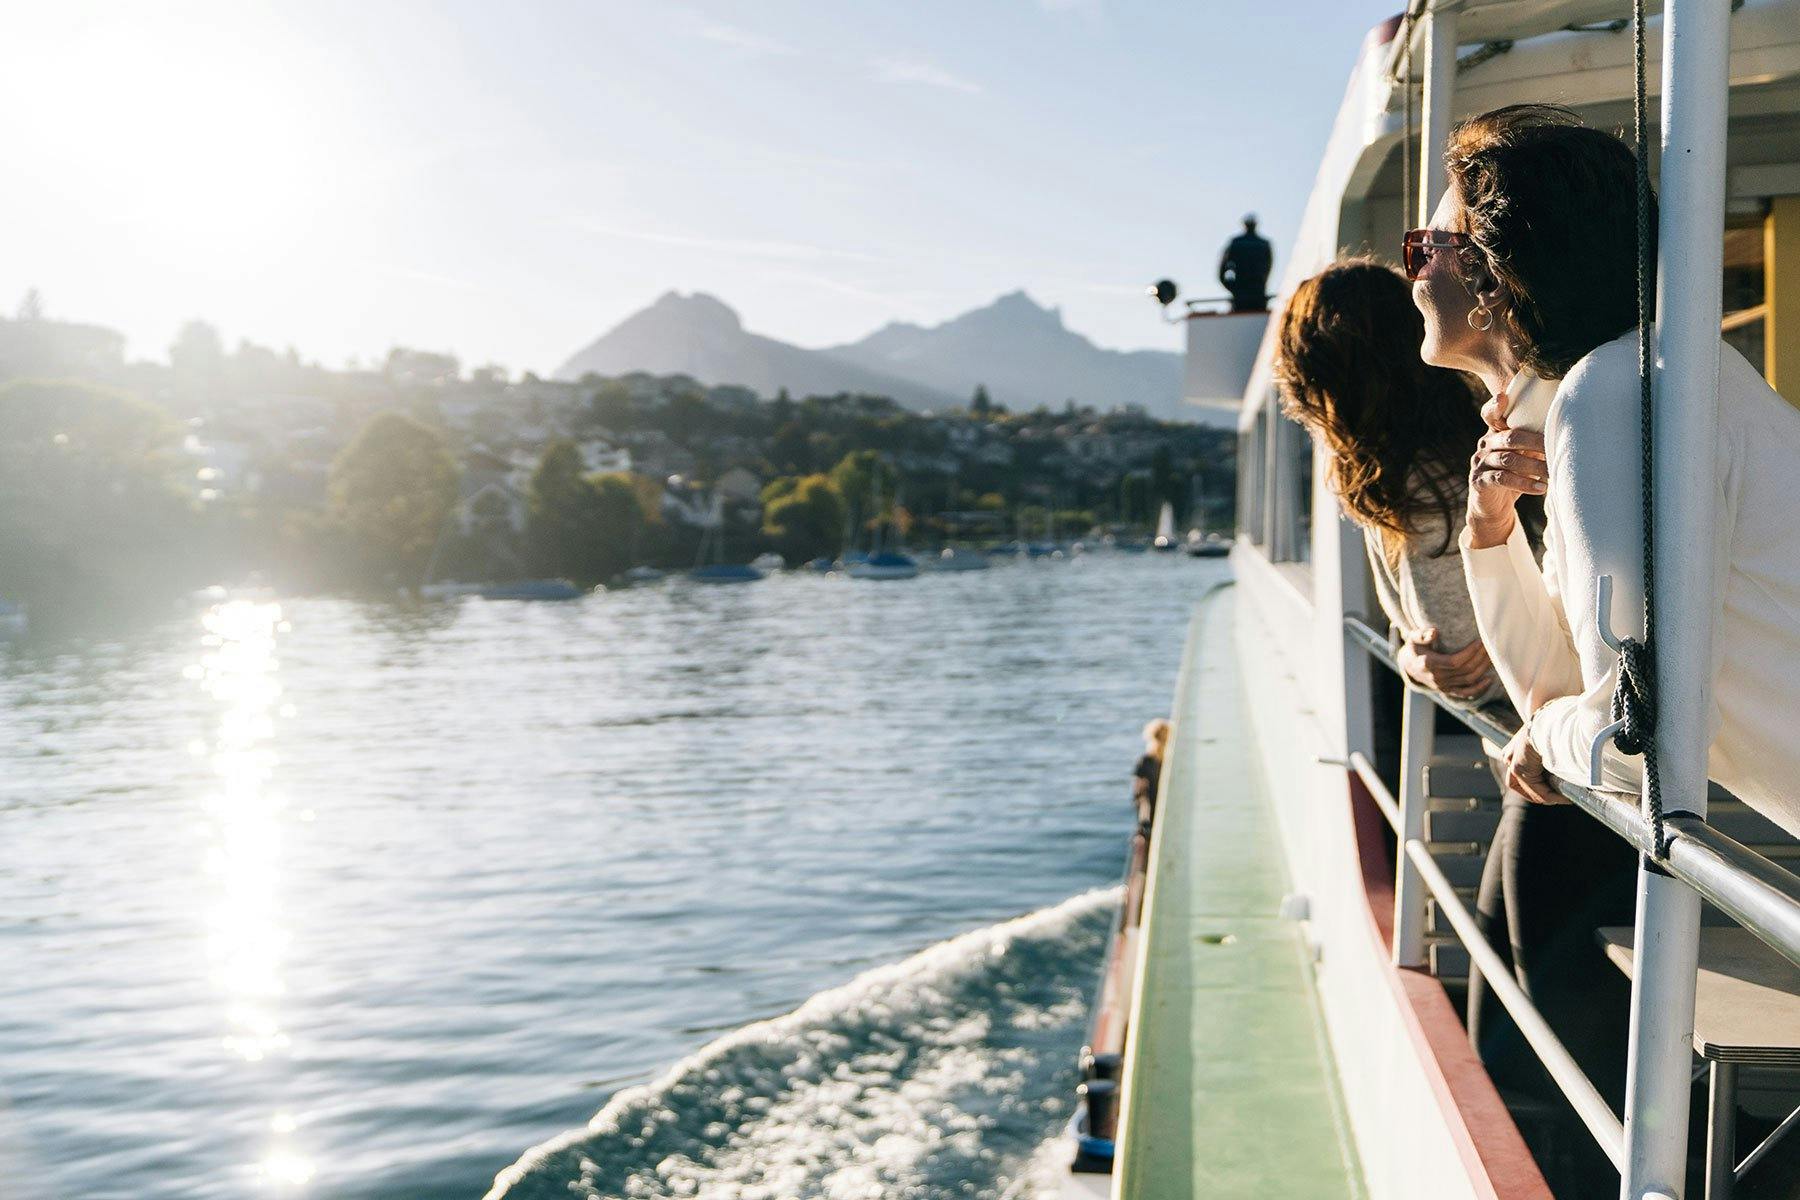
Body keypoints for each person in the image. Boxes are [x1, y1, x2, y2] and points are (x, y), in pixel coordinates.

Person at [1415, 103, 1800, 844]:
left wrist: (1547, 742)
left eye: (1423, 248)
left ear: (1489, 278)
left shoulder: (1614, 394)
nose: (1413, 276)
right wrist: (1488, 530)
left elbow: (1639, 738)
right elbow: (1564, 687)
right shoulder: (1632, 381)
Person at [1273, 259, 1497, 701]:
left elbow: (1463, 665)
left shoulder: (1429, 485)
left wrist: (1419, 663)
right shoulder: (1417, 465)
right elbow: (1429, 643)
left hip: (1538, 739)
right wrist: (1410, 663)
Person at [1219, 214, 1273, 313]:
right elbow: (1268, 269)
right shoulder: (1264, 244)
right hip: (1258, 295)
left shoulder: (1235, 243)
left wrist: (1232, 287)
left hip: (1240, 296)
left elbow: (1221, 271)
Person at [1132, 718, 1171, 834]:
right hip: (1167, 813)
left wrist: (1144, 819)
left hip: (1150, 817)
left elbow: (1140, 794)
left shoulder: (1146, 761)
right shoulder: (1172, 762)